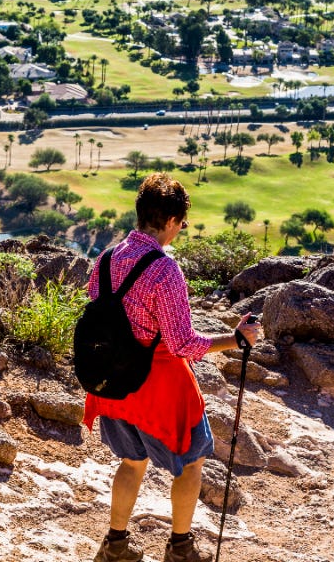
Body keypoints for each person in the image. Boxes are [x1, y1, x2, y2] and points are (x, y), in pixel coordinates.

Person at [86, 173, 261, 562]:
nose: (181, 229)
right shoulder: (164, 269)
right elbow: (183, 344)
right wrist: (236, 339)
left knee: (132, 461)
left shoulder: (107, 258)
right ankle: (180, 549)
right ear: (169, 221)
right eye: (181, 222)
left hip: (112, 382)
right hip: (159, 389)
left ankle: (115, 546)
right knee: (192, 462)